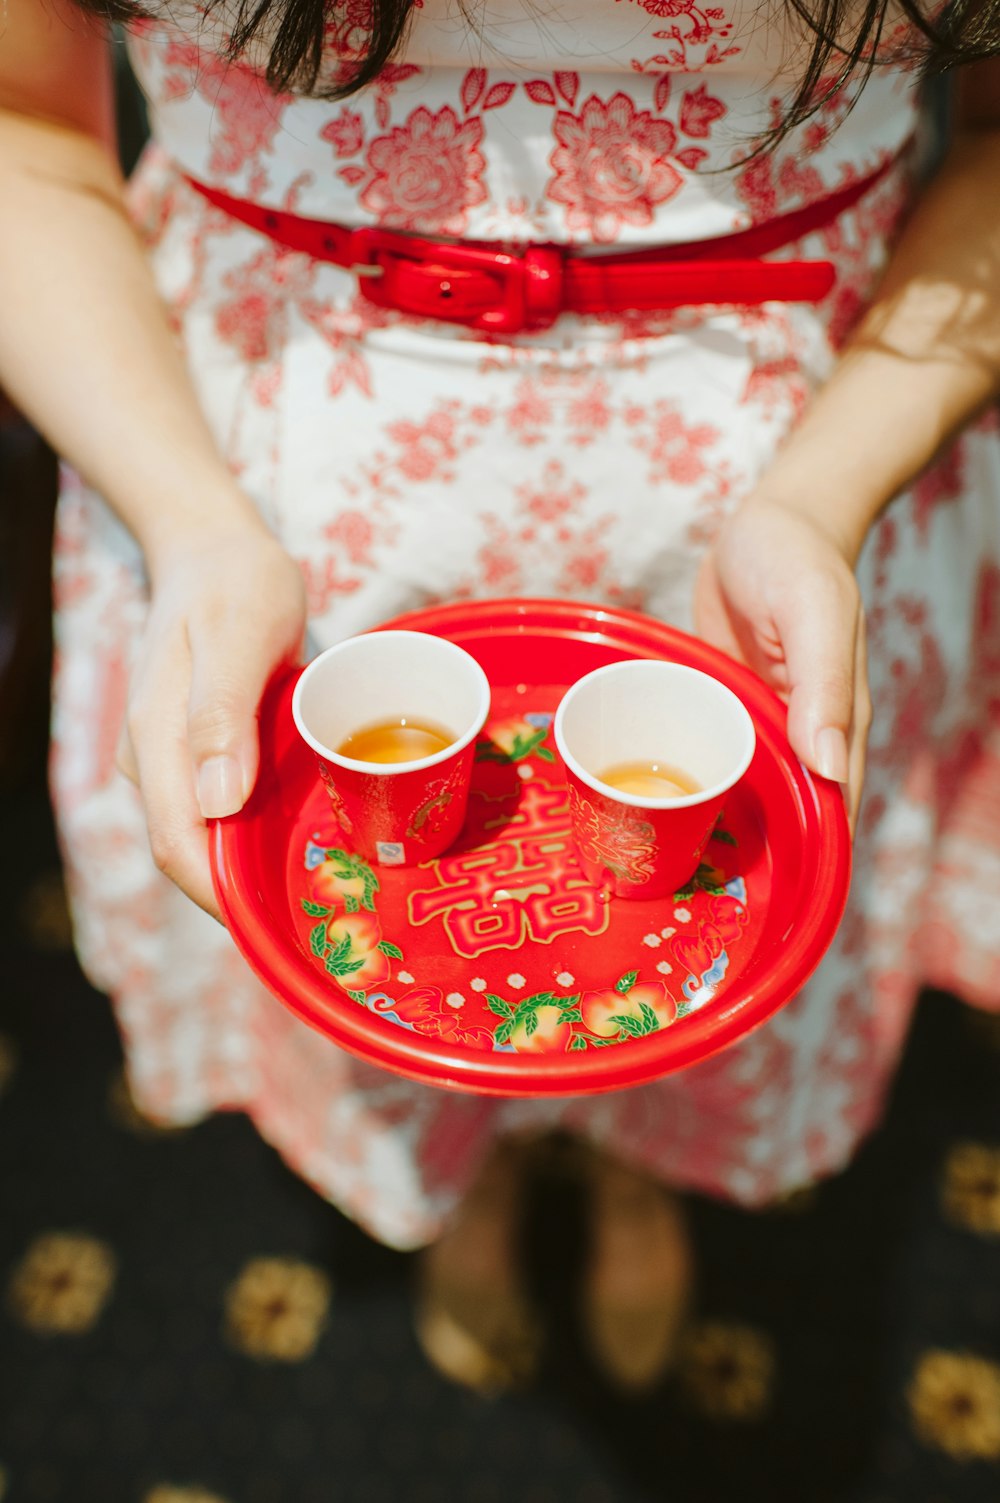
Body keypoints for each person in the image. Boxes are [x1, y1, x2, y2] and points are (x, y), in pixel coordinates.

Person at [2, 0, 999, 1395]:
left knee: (695, 932)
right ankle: (469, 1171)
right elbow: (23, 125)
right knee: (397, 932)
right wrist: (189, 522)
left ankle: (635, 1169)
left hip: (804, 463)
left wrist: (825, 492)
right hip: (263, 492)